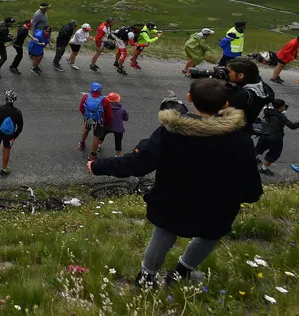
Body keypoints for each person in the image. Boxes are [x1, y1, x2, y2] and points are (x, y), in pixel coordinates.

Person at [88, 78, 263, 288]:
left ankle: (146, 277)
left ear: (189, 98)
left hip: (174, 200)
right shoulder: (241, 138)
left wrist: (98, 166)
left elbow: (138, 163)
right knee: (210, 236)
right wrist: (251, 194)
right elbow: (248, 172)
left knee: (162, 236)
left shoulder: (171, 133)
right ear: (226, 105)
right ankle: (182, 272)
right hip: (219, 205)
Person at [226, 57, 274, 129]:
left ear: (240, 75)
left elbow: (225, 114)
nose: (226, 74)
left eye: (228, 72)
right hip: (248, 125)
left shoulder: (243, 95)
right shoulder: (262, 87)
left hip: (235, 129)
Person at [255, 99, 299, 175]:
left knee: (259, 148)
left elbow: (274, 113)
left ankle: (251, 159)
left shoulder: (267, 110)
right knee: (274, 153)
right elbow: (292, 126)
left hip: (264, 133)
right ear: (281, 107)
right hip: (275, 137)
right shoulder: (281, 115)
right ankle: (264, 168)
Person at [0, 89, 23, 176]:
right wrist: (14, 136)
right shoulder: (18, 112)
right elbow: (20, 127)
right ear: (14, 99)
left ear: (5, 98)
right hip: (10, 135)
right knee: (6, 151)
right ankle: (4, 169)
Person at [78, 82, 113, 160]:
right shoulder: (104, 100)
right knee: (96, 137)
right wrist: (107, 124)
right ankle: (92, 155)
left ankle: (82, 143)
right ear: (100, 90)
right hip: (99, 120)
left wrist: (86, 116)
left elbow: (81, 108)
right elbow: (109, 115)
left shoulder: (86, 96)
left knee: (86, 130)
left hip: (89, 118)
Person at [103, 92, 129, 157]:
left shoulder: (106, 107)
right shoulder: (122, 108)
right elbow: (126, 118)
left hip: (108, 126)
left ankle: (98, 146)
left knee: (101, 136)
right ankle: (117, 155)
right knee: (118, 142)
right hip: (119, 128)